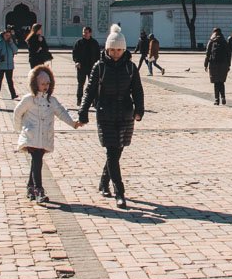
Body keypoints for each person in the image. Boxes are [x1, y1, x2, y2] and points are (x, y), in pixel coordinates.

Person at [79, 25, 144, 209]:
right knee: (112, 152)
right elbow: (90, 90)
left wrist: (139, 109)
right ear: (107, 49)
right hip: (105, 112)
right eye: (112, 49)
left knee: (117, 151)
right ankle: (120, 192)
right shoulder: (99, 67)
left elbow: (137, 90)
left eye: (119, 50)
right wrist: (83, 111)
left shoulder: (130, 68)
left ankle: (103, 182)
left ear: (124, 49)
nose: (116, 53)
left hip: (125, 113)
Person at [14, 64, 81, 204]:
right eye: (42, 84)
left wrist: (73, 123)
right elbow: (17, 113)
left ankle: (30, 187)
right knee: (37, 160)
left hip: (44, 136)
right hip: (31, 136)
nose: (45, 86)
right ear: (35, 84)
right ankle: (39, 190)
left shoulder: (51, 101)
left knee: (36, 161)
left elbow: (62, 113)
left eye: (47, 83)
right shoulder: (29, 99)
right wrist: (20, 130)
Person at [72, 26, 102, 106]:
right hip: (81, 67)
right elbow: (75, 53)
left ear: (90, 33)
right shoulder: (79, 43)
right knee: (80, 84)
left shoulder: (94, 43)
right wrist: (76, 62)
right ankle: (79, 99)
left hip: (92, 67)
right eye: (83, 32)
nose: (84, 34)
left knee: (93, 85)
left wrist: (98, 65)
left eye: (86, 32)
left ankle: (94, 101)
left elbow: (98, 55)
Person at [204, 27, 231, 105]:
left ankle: (216, 99)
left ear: (214, 33)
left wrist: (205, 64)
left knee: (216, 82)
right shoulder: (224, 41)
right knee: (221, 82)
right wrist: (228, 65)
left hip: (214, 64)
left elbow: (207, 53)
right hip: (223, 64)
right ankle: (223, 97)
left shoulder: (211, 41)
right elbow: (228, 54)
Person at [0, 28, 20, 99]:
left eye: (9, 35)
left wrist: (11, 43)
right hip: (0, 64)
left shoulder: (10, 42)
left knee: (10, 80)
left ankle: (13, 94)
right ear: (3, 35)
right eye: (6, 35)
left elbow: (15, 50)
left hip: (9, 65)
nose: (8, 37)